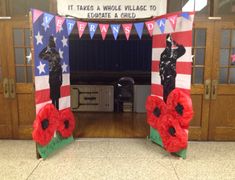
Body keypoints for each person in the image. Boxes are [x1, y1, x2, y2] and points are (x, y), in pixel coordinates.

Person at [159, 34, 186, 102]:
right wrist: (162, 78)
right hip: (166, 78)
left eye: (170, 41)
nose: (169, 43)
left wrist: (176, 44)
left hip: (170, 78)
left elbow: (183, 50)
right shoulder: (164, 54)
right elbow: (161, 67)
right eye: (169, 41)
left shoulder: (173, 53)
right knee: (166, 97)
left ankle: (170, 110)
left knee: (171, 97)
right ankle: (167, 109)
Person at [39, 36, 62, 110]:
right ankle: (56, 112)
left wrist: (46, 48)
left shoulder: (50, 54)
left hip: (53, 76)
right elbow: (59, 66)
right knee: (56, 97)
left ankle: (54, 112)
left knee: (54, 97)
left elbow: (40, 55)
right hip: (56, 77)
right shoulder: (56, 53)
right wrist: (61, 79)